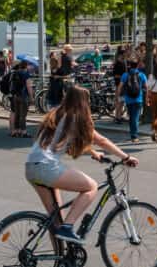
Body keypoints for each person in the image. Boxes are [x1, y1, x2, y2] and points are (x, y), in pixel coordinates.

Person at [24, 85, 138, 245]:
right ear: (82, 102)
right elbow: (101, 140)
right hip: (46, 166)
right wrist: (126, 157)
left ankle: (61, 256)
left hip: (31, 167)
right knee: (91, 187)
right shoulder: (76, 117)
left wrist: (94, 153)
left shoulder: (56, 114)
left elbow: (67, 144)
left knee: (55, 222)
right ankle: (68, 227)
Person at [119, 61, 148, 143]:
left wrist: (119, 96)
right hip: (138, 99)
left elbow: (120, 86)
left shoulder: (125, 75)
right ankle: (134, 136)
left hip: (128, 99)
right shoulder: (142, 75)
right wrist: (146, 97)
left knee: (131, 117)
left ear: (129, 66)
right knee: (135, 118)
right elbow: (146, 87)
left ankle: (132, 134)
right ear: (137, 66)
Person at [8, 60, 33, 137]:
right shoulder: (26, 74)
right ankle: (24, 132)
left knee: (17, 114)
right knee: (23, 115)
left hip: (15, 96)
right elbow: (29, 87)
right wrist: (31, 97)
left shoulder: (15, 73)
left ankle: (16, 131)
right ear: (26, 66)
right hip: (23, 96)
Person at [111, 53, 128, 122]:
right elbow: (116, 75)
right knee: (119, 101)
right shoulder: (118, 64)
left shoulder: (121, 63)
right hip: (120, 85)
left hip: (120, 85)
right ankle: (117, 117)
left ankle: (118, 116)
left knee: (121, 101)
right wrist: (124, 77)